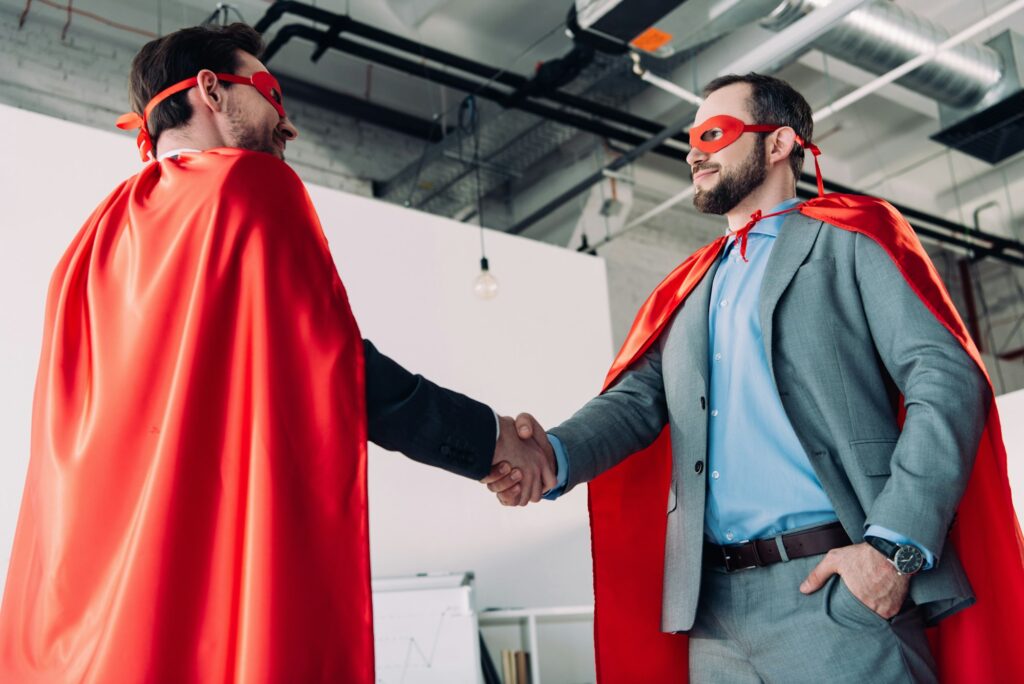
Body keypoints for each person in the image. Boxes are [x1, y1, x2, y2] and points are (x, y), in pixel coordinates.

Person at [0, 23, 554, 684]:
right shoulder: (246, 189)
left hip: (84, 624)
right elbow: (340, 369)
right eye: (270, 93)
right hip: (196, 602)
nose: (285, 124)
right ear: (211, 90)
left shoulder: (87, 248)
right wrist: (494, 441)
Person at [484, 73, 1024, 682]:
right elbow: (637, 402)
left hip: (835, 593)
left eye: (715, 133)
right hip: (713, 614)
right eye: (692, 138)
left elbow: (945, 376)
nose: (694, 152)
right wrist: (551, 454)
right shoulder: (688, 289)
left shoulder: (851, 239)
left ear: (779, 143)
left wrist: (891, 551)